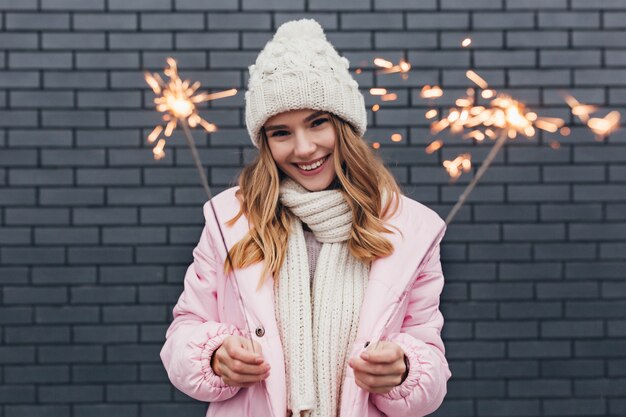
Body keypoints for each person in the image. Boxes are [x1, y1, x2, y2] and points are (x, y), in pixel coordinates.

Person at [160, 18, 451, 417]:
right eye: (281, 132)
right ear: (265, 142)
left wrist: (404, 370)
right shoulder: (230, 222)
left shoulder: (408, 231)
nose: (304, 148)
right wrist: (212, 355)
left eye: (318, 123)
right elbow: (183, 333)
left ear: (345, 126)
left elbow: (429, 363)